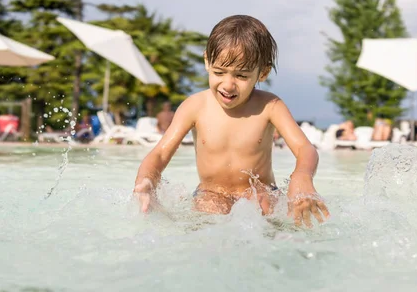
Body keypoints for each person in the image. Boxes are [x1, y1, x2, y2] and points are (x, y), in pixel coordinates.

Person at [133, 15, 330, 227]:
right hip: (211, 193)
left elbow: (304, 148)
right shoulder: (194, 106)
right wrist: (146, 181)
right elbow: (160, 153)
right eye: (219, 72)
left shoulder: (270, 106)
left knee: (263, 204)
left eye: (242, 76)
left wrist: (301, 177)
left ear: (262, 73)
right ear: (207, 61)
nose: (228, 84)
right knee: (206, 208)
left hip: (258, 192)